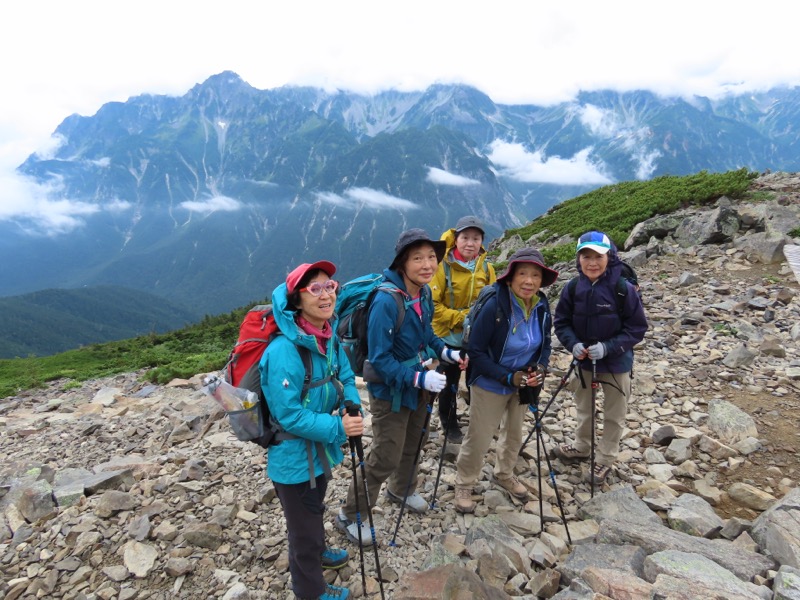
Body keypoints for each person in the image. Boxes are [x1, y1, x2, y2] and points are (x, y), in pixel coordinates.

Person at [336, 229, 465, 544]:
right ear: (402, 263)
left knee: (415, 442)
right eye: (417, 258)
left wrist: (446, 351)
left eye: (431, 257)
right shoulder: (386, 301)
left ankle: (402, 489)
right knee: (386, 454)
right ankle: (350, 514)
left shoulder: (421, 293)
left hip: (417, 386)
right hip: (390, 392)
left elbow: (427, 337)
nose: (427, 264)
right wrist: (420, 377)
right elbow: (379, 360)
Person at [261, 260, 364, 600]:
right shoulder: (283, 351)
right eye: (315, 288)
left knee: (315, 506)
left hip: (318, 450)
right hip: (293, 459)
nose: (326, 294)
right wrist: (339, 425)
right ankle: (310, 590)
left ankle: (320, 551)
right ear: (296, 300)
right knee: (301, 529)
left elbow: (345, 374)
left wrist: (352, 405)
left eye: (330, 286)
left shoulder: (325, 335)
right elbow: (288, 414)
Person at [454, 247, 559, 514]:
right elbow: (475, 351)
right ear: (510, 277)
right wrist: (507, 376)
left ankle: (504, 473)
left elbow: (545, 344)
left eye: (535, 275)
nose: (529, 281)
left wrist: (540, 368)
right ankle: (465, 482)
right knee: (479, 436)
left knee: (513, 433)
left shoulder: (541, 306)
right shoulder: (495, 306)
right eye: (522, 274)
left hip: (524, 381)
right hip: (491, 382)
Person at [553, 231, 648, 485]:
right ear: (578, 258)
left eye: (598, 256)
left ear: (610, 257)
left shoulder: (622, 289)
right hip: (584, 361)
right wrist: (573, 344)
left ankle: (604, 460)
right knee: (584, 409)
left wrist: (608, 348)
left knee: (614, 414)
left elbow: (637, 328)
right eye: (586, 256)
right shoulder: (573, 287)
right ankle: (582, 447)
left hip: (617, 362)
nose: (592, 262)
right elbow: (561, 322)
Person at [431, 215, 497, 442]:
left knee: (476, 380)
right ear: (455, 239)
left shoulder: (487, 268)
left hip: (477, 337)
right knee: (449, 382)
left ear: (482, 241)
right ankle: (449, 423)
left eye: (476, 238)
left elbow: (493, 302)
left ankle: (481, 422)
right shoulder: (442, 266)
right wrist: (463, 318)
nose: (470, 243)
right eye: (465, 237)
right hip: (447, 336)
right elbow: (432, 305)